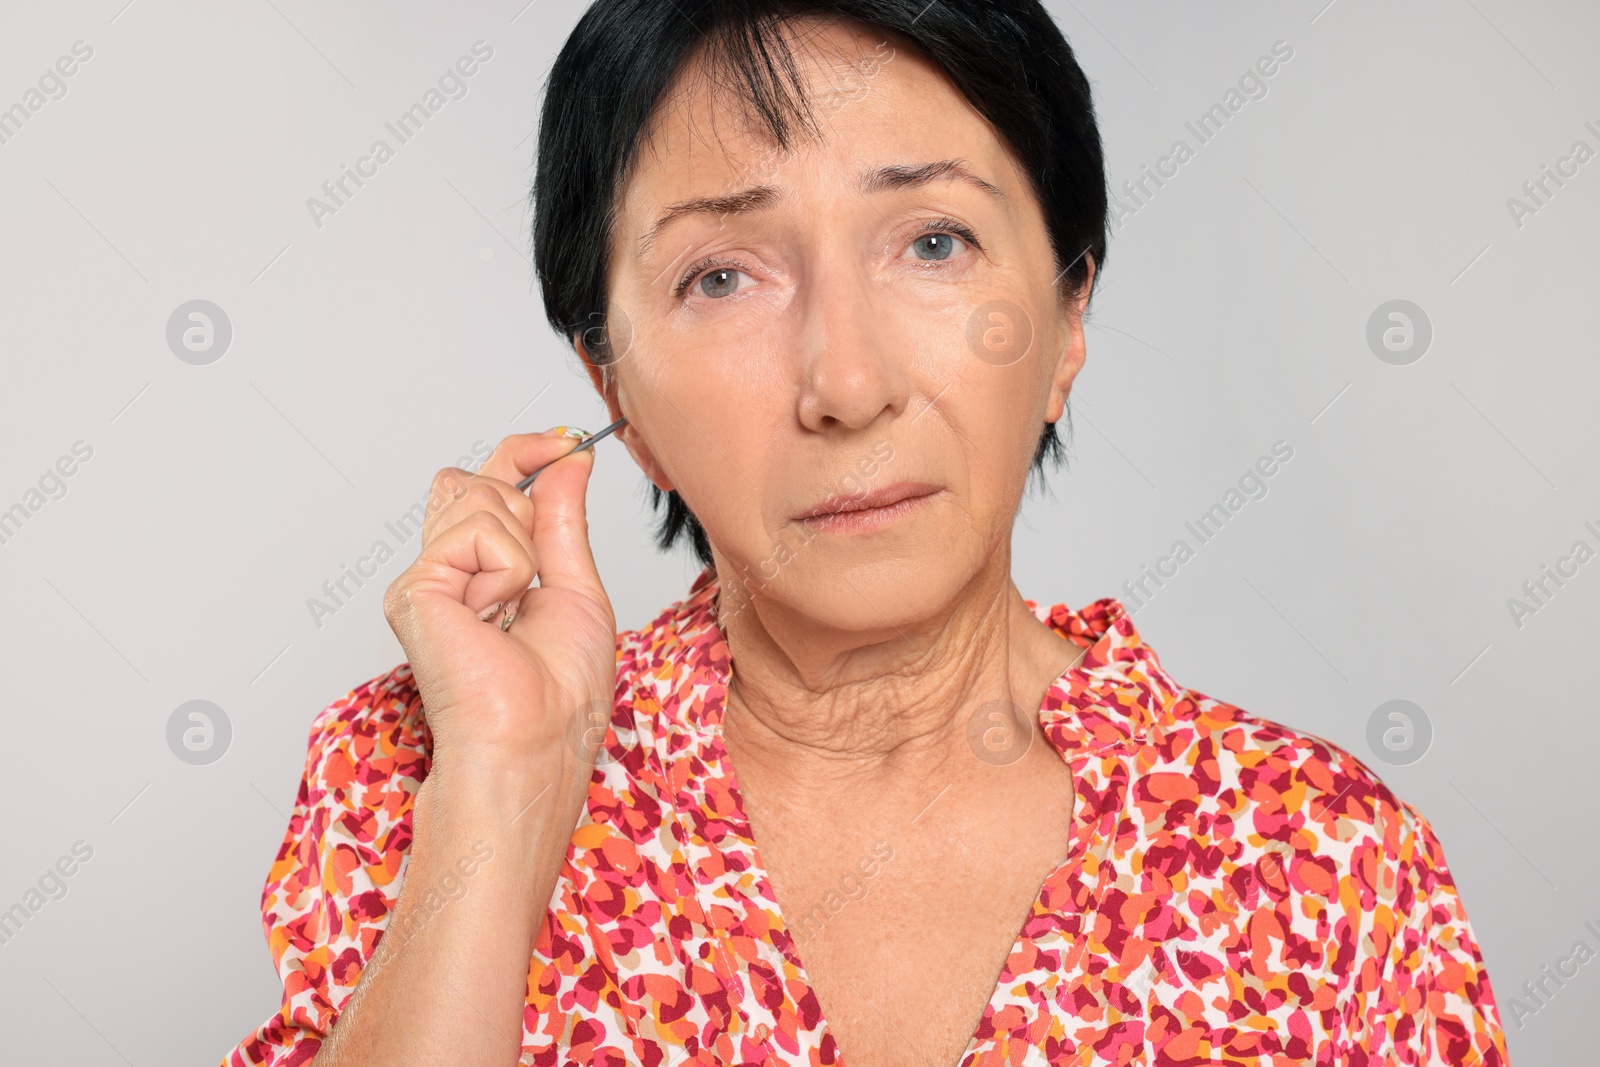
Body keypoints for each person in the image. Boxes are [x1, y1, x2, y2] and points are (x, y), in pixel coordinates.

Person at [224, 1, 1510, 1063]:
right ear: (615, 390)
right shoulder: (421, 776)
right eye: (721, 275)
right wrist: (502, 795)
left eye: (933, 241)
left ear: (1064, 320)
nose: (846, 383)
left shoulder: (1318, 853)